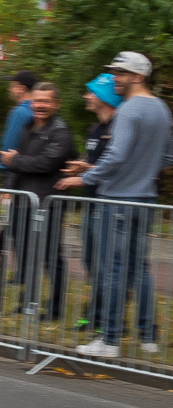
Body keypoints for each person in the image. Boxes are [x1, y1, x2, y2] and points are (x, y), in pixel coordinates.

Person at [58, 52, 173, 358]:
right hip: (146, 200)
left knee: (112, 271)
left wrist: (87, 178)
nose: (114, 79)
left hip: (117, 199)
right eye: (114, 72)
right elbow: (167, 158)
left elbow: (117, 155)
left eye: (120, 74)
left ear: (138, 77)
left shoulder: (128, 111)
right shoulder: (161, 109)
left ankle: (108, 340)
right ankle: (148, 336)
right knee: (140, 269)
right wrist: (144, 174)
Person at [0, 82, 76, 319]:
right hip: (24, 200)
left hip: (48, 203)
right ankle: (29, 302)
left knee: (51, 256)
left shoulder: (61, 132)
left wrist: (16, 161)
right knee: (27, 254)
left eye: (46, 101)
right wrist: (9, 189)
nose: (40, 106)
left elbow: (46, 163)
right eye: (37, 101)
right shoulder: (28, 126)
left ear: (56, 104)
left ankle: (55, 307)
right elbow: (16, 164)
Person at [75, 73, 122, 332]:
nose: (86, 96)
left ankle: (110, 320)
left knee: (109, 266)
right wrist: (82, 168)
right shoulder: (94, 129)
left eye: (91, 92)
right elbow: (95, 165)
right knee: (91, 262)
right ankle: (95, 311)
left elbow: (115, 167)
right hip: (91, 205)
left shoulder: (119, 128)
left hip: (111, 206)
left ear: (104, 97)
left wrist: (87, 169)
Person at [0, 71, 37, 172]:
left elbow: (10, 142)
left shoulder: (20, 112)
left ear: (22, 88)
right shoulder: (38, 110)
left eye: (12, 86)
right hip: (29, 168)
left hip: (13, 169)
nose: (9, 89)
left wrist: (3, 167)